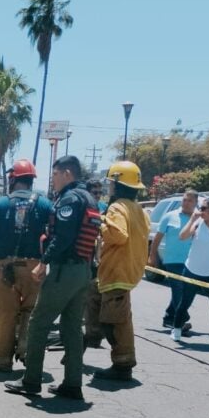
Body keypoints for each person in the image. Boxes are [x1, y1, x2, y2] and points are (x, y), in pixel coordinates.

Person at [5, 155, 99, 401]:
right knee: (71, 328)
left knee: (38, 323)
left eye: (55, 175)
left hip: (64, 270)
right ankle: (72, 384)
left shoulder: (70, 199)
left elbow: (63, 237)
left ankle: (31, 380)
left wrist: (44, 262)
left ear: (67, 174)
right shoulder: (90, 198)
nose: (52, 180)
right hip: (82, 270)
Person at [0, 158, 52, 371]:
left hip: (6, 267)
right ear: (31, 180)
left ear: (13, 179)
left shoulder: (1, 203)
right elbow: (53, 234)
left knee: (5, 313)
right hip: (35, 267)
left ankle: (1, 361)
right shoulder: (44, 204)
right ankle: (27, 352)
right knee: (32, 311)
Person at [90, 160, 150, 382]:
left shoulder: (117, 208)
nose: (109, 188)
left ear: (117, 184)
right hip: (128, 272)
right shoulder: (139, 210)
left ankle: (122, 365)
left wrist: (100, 223)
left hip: (117, 273)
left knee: (112, 322)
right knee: (120, 320)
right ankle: (123, 362)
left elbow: (118, 235)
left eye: (110, 184)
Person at [171, 196, 209, 349]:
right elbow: (182, 237)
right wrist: (192, 220)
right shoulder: (198, 224)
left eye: (204, 208)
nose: (201, 211)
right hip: (192, 270)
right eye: (200, 208)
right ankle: (177, 328)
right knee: (185, 302)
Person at [149, 189, 196, 330]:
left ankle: (169, 317)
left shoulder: (198, 218)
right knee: (178, 288)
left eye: (190, 200)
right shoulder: (169, 216)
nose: (186, 203)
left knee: (183, 289)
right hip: (172, 260)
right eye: (184, 200)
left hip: (190, 261)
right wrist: (153, 255)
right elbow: (156, 239)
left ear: (195, 202)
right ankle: (182, 319)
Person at [83, 178, 106, 349]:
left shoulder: (101, 210)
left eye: (100, 192)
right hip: (83, 258)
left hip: (96, 261)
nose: (98, 196)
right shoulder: (84, 208)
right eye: (95, 192)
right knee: (86, 299)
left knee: (94, 298)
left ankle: (94, 334)